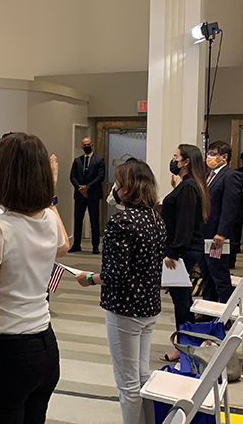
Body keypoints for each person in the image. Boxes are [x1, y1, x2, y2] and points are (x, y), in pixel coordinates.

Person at [0, 133, 69, 424]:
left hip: (6, 353)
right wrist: (50, 192)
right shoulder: (49, 219)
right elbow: (64, 246)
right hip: (44, 344)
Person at [74, 159, 166, 424]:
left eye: (117, 183)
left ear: (125, 189)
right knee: (142, 376)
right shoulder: (155, 219)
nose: (113, 188)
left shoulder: (121, 222)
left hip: (126, 309)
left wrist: (89, 278)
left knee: (127, 383)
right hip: (149, 306)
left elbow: (115, 274)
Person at [159, 144, 209, 362]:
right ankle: (185, 342)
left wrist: (173, 253)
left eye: (176, 156)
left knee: (181, 300)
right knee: (181, 298)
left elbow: (185, 224)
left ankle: (184, 345)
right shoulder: (187, 185)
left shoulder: (189, 187)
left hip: (183, 252)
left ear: (186, 161)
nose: (173, 160)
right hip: (183, 250)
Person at [198, 141, 242, 303]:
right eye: (208, 154)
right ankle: (208, 306)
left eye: (213, 154)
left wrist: (222, 232)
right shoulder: (209, 176)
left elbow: (230, 207)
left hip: (217, 235)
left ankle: (226, 312)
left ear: (224, 157)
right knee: (206, 272)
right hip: (204, 232)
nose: (209, 157)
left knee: (219, 273)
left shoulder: (230, 176)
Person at [69, 137, 106, 253]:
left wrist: (87, 187)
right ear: (82, 147)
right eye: (84, 145)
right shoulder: (77, 161)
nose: (87, 146)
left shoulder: (99, 160)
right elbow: (72, 176)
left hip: (93, 195)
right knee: (78, 220)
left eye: (88, 144)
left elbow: (101, 177)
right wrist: (80, 188)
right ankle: (76, 244)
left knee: (94, 221)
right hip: (79, 195)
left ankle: (95, 246)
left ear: (92, 145)